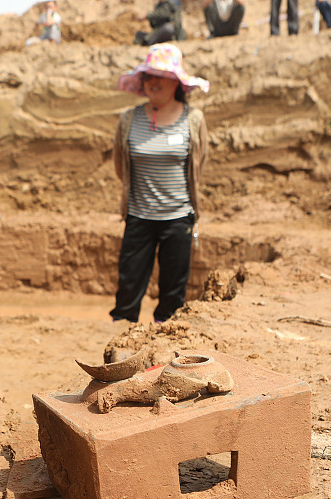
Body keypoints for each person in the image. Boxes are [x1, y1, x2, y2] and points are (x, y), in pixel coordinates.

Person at [111, 44, 210, 323]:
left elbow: (198, 165)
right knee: (128, 289)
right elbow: (121, 164)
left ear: (176, 83)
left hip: (178, 220)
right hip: (138, 218)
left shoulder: (194, 119)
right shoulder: (129, 119)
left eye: (161, 76)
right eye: (149, 76)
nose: (154, 82)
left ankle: (165, 347)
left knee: (172, 295)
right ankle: (121, 346)